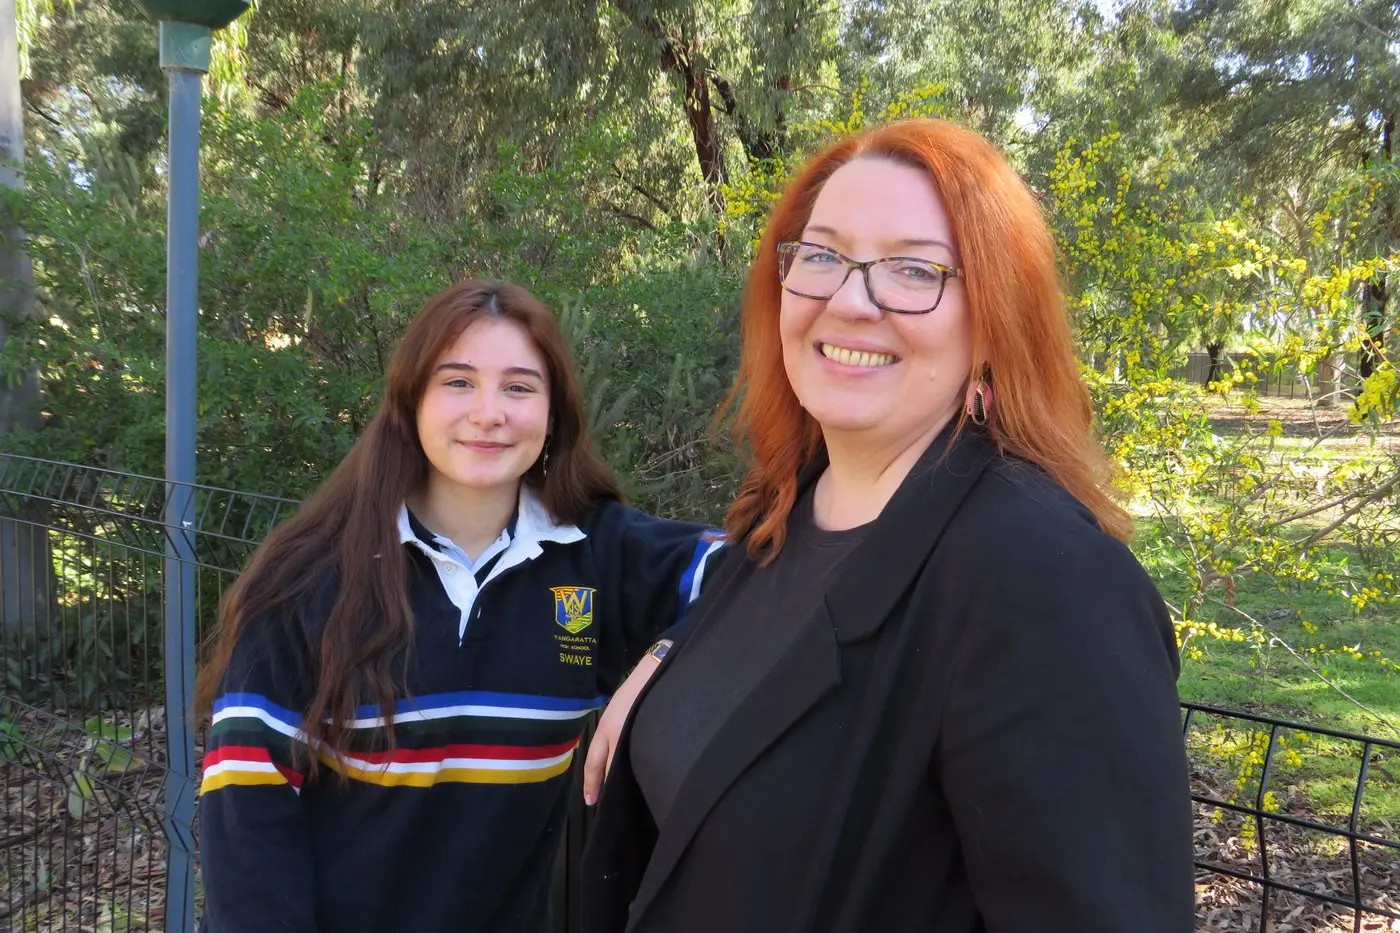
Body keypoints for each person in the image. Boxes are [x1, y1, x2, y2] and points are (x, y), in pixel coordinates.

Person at [582, 119, 1195, 933]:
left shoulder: (1046, 580)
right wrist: (666, 662)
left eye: (914, 270)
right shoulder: (791, 511)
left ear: (993, 319)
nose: (848, 300)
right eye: (823, 255)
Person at [194, 279, 722, 933]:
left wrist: (664, 654)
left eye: (520, 387)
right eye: (459, 382)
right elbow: (249, 818)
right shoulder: (306, 579)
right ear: (411, 399)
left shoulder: (597, 556)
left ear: (554, 411)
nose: (489, 411)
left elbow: (772, 570)